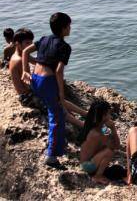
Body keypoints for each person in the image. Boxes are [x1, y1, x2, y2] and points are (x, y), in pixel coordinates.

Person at [21, 12, 75, 169]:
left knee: (55, 113)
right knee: (57, 118)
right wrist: (61, 94)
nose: (70, 28)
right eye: (69, 26)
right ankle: (51, 157)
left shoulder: (44, 39)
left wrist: (25, 71)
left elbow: (25, 52)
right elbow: (58, 71)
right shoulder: (65, 47)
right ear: (64, 28)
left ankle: (57, 143)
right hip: (47, 82)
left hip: (35, 80)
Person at [9, 28, 86, 127]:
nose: (30, 45)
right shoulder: (19, 61)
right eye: (27, 43)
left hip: (29, 93)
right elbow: (27, 84)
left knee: (59, 100)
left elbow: (36, 61)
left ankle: (85, 114)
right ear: (17, 44)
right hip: (27, 97)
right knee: (60, 108)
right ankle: (83, 125)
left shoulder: (18, 55)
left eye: (31, 42)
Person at [79, 100, 120, 185]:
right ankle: (97, 176)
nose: (110, 116)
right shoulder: (96, 133)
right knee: (109, 151)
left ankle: (97, 172)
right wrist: (113, 128)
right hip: (87, 166)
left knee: (110, 150)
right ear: (102, 116)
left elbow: (114, 141)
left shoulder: (101, 128)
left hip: (91, 161)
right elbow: (115, 146)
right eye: (108, 114)